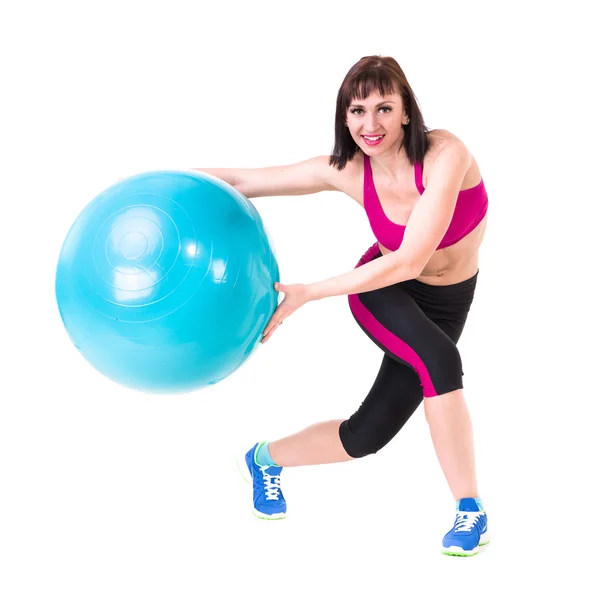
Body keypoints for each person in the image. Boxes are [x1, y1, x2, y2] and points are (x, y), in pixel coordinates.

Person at [194, 55, 490, 557]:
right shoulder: (348, 171)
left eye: (382, 108)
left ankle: (265, 459)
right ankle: (471, 510)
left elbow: (413, 257)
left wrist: (310, 292)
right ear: (344, 117)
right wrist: (154, 184)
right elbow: (244, 182)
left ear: (405, 111)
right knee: (442, 362)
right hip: (381, 289)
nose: (369, 125)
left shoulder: (446, 154)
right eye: (356, 111)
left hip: (444, 296)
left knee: (366, 436)